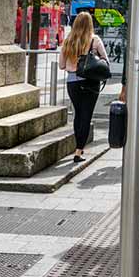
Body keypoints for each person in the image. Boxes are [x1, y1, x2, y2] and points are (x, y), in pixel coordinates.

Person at [59, 11, 107, 163]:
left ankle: (78, 148)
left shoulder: (68, 41)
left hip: (72, 82)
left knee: (78, 114)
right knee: (86, 115)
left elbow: (61, 65)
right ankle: (78, 151)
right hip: (90, 82)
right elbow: (106, 61)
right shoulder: (95, 40)